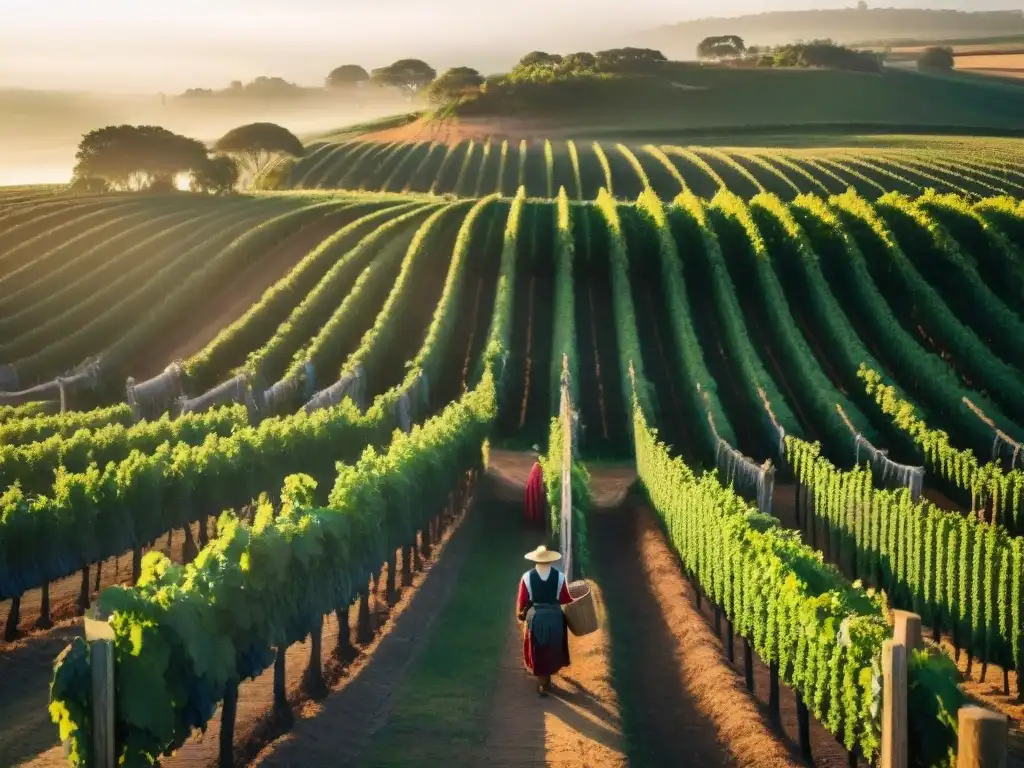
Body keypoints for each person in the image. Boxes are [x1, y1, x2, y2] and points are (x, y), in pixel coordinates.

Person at [516, 545, 572, 695]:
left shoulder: (527, 577)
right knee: (552, 647)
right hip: (555, 617)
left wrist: (521, 613)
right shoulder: (560, 576)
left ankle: (542, 681)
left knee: (538, 648)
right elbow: (565, 598)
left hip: (536, 616)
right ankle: (547, 679)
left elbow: (522, 602)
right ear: (550, 560)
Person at [524, 447, 545, 527]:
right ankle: (534, 517)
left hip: (535, 479)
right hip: (535, 480)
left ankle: (533, 516)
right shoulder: (537, 467)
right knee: (536, 497)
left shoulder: (536, 467)